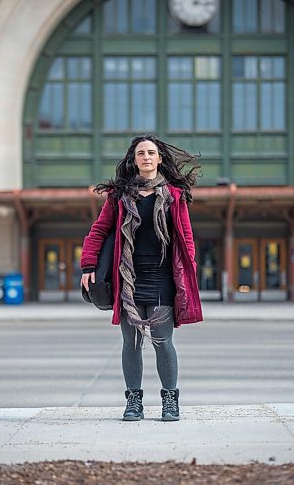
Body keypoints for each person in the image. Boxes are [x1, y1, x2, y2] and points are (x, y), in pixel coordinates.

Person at [80, 134, 203, 422]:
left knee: (163, 341)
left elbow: (185, 237)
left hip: (162, 278)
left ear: (160, 158)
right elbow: (98, 231)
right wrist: (88, 266)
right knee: (131, 342)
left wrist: (189, 273)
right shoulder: (119, 196)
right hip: (127, 278)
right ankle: (133, 401)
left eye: (151, 152)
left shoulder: (174, 195)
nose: (146, 157)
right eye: (140, 153)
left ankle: (170, 400)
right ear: (133, 160)